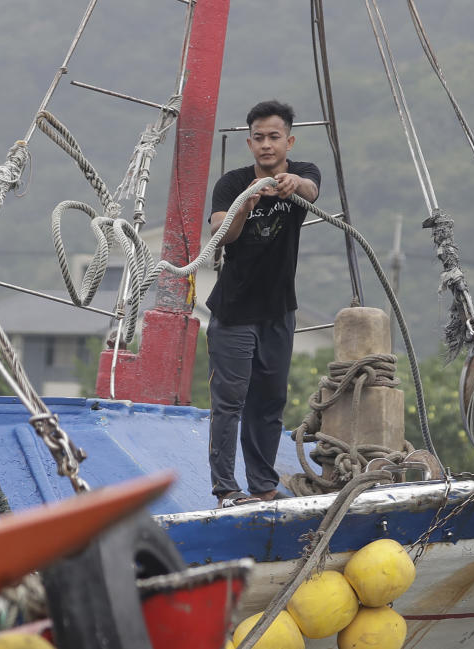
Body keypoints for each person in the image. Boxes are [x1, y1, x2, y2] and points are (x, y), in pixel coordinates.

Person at [205, 100, 320, 508]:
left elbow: (311, 190)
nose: (267, 145)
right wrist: (243, 208)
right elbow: (222, 232)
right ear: (249, 142)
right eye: (259, 138)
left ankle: (263, 487)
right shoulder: (232, 184)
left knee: (269, 402)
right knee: (229, 402)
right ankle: (226, 490)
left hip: (279, 311)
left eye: (274, 137)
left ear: (288, 140)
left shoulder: (302, 175)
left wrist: (293, 185)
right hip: (234, 312)